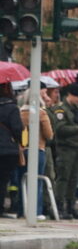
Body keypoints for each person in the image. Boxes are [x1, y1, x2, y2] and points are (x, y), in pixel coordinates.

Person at [52, 83, 78, 220]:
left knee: (74, 179)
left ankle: (71, 207)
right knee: (63, 178)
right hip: (66, 148)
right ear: (70, 95)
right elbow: (60, 129)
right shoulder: (61, 110)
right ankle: (59, 207)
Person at [17, 87, 53, 220]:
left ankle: (22, 210)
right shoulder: (41, 113)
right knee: (37, 181)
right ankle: (36, 211)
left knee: (23, 180)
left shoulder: (19, 112)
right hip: (38, 150)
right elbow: (49, 134)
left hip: (22, 150)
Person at [0, 83, 23, 217]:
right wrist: (20, 142)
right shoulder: (11, 108)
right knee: (3, 180)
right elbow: (17, 128)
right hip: (6, 149)